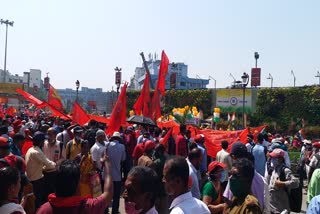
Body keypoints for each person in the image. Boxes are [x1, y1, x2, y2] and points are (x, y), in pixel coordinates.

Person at [37, 158, 113, 214]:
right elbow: (108, 194)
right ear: (77, 186)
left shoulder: (44, 210)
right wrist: (107, 166)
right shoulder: (89, 207)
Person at [223, 142, 270, 213]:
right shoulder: (262, 180)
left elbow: (227, 203)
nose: (232, 177)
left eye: (234, 175)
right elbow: (266, 207)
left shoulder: (236, 179)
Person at [25, 131, 56, 210]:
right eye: (43, 141)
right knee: (37, 202)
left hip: (31, 179)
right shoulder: (37, 152)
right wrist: (56, 164)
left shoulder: (31, 149)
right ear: (40, 142)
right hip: (36, 181)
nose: (44, 142)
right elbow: (50, 164)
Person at [268, 148, 299, 213]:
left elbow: (296, 182)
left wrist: (282, 183)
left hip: (281, 206)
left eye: (274, 158)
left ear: (280, 159)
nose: (272, 160)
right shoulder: (275, 168)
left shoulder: (285, 170)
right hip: (273, 204)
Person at [105, 131, 126, 214]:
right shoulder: (122, 146)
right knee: (116, 196)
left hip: (107, 175)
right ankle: (114, 211)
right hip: (117, 175)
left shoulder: (107, 145)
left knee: (106, 194)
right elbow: (123, 159)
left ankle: (105, 210)